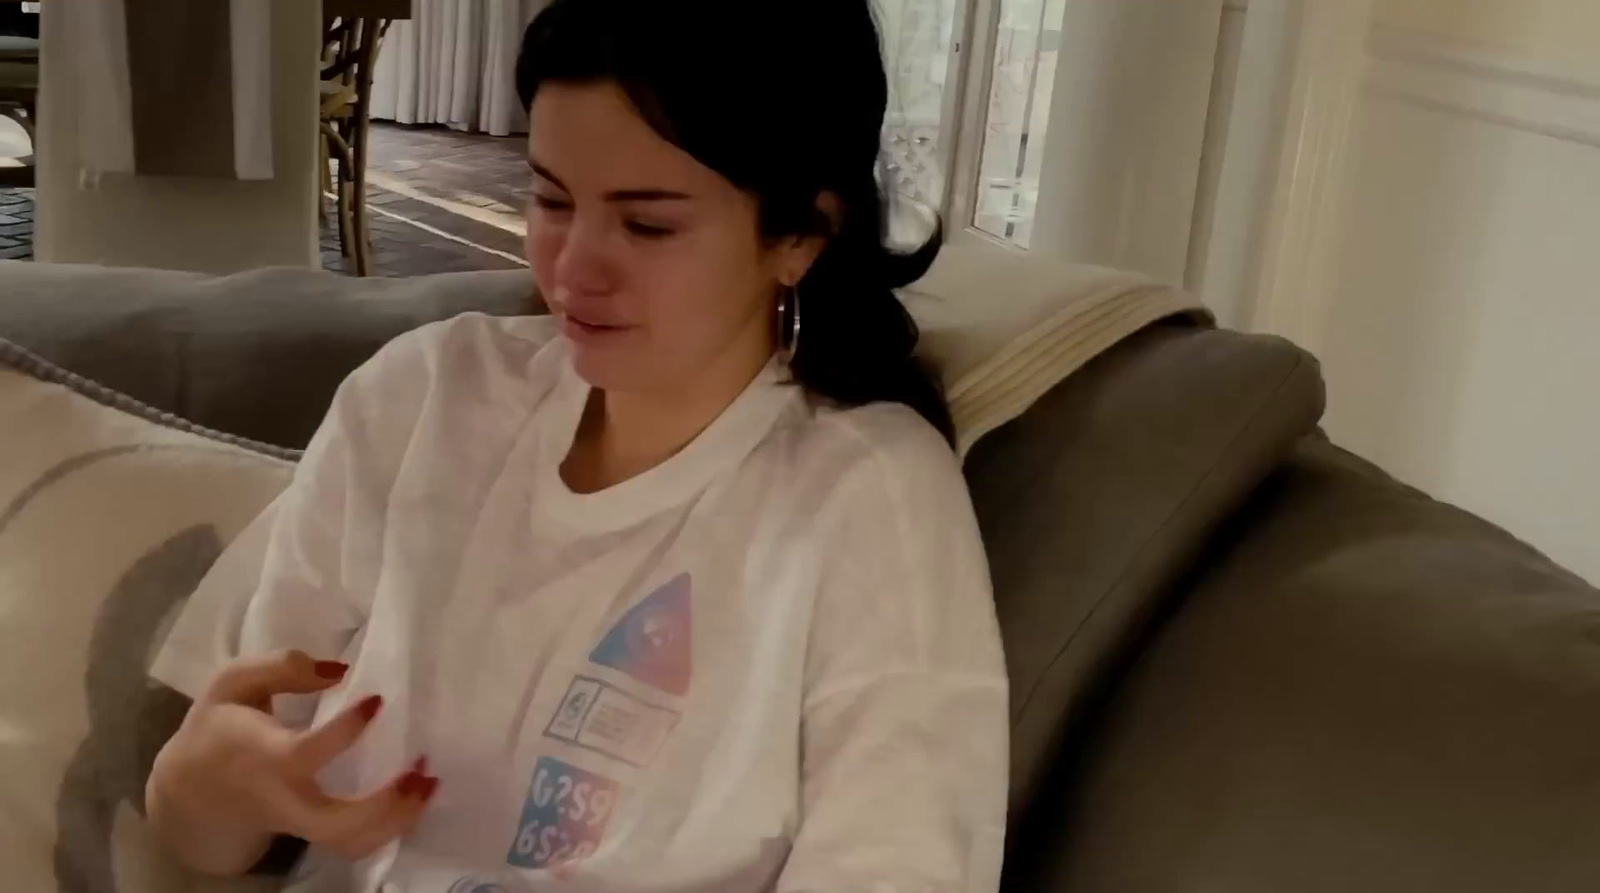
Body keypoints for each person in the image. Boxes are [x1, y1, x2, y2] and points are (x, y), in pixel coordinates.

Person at [144, 1, 1009, 891]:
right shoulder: (422, 399)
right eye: (551, 197)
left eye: (648, 225)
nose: (571, 269)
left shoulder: (870, 496)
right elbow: (209, 832)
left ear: (799, 234)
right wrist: (203, 785)